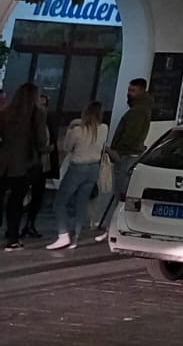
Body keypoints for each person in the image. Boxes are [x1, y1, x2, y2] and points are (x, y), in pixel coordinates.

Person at [46, 101, 107, 251]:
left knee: (60, 202)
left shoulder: (77, 130)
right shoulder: (104, 128)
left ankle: (63, 234)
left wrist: (70, 128)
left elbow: (67, 147)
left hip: (77, 168)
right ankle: (76, 237)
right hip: (93, 168)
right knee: (82, 203)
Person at [97, 78, 153, 235]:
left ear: (141, 91)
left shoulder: (137, 111)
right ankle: (118, 226)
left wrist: (116, 151)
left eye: (133, 91)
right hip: (130, 154)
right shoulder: (143, 109)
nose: (129, 94)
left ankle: (115, 226)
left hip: (126, 155)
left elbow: (130, 135)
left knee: (121, 193)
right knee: (124, 193)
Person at [1, 83, 49, 250]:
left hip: (3, 163)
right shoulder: (38, 113)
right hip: (24, 164)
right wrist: (46, 150)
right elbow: (41, 141)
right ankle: (12, 238)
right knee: (16, 202)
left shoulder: (5, 112)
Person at [21, 89, 53, 239]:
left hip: (42, 166)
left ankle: (29, 224)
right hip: (31, 165)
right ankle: (21, 225)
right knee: (22, 196)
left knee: (36, 197)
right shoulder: (28, 123)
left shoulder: (46, 123)